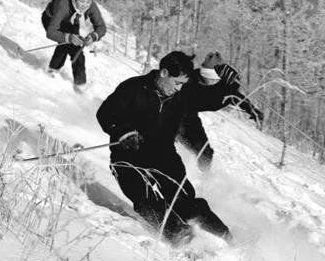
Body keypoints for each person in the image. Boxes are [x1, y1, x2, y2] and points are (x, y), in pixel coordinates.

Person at [96, 51, 233, 244]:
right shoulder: (133, 88)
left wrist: (227, 87)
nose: (179, 88)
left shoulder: (181, 94)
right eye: (177, 82)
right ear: (164, 73)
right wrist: (123, 132)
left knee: (185, 201)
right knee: (144, 198)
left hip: (163, 154)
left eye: (183, 85)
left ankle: (224, 236)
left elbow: (207, 99)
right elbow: (105, 114)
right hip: (127, 154)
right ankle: (176, 234)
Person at [177, 52, 263, 169]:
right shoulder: (189, 81)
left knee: (205, 153)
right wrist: (226, 88)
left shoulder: (214, 86)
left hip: (189, 118)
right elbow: (207, 99)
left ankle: (205, 181)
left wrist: (251, 109)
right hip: (171, 115)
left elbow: (229, 97)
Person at [41, 0, 107, 91]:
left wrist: (93, 36)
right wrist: (69, 37)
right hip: (51, 19)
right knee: (65, 44)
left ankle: (80, 83)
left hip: (71, 21)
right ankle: (52, 70)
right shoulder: (63, 5)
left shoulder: (92, 6)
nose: (84, 5)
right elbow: (51, 32)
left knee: (76, 49)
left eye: (88, 1)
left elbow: (101, 27)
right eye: (81, 1)